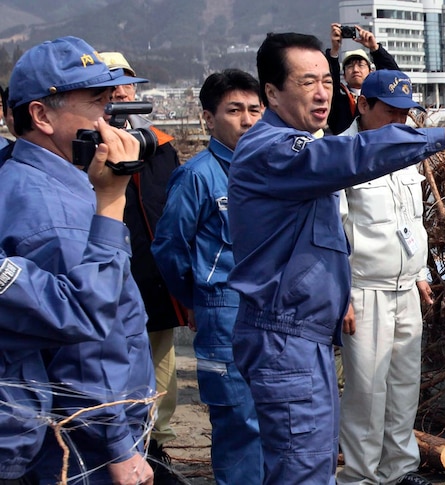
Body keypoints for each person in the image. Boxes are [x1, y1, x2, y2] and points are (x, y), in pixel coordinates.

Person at [227, 32, 445, 485]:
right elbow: (349, 159)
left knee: (321, 452)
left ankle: (395, 471)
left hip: (309, 328)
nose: (322, 92)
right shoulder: (278, 149)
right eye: (307, 82)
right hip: (287, 330)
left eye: (326, 79)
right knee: (308, 455)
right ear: (272, 92)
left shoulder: (310, 148)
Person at [0, 36, 156, 485]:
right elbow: (88, 339)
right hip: (82, 443)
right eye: (95, 102)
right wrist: (119, 446)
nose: (108, 118)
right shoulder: (53, 211)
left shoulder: (41, 178)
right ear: (41, 115)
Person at [151, 69, 264, 485]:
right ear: (207, 118)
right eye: (234, 110)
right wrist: (196, 299)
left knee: (273, 419)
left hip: (272, 312)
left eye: (255, 109)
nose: (248, 120)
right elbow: (169, 248)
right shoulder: (197, 175)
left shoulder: (273, 170)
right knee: (237, 421)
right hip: (224, 312)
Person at [335, 69, 433, 485]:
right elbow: (333, 232)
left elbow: (413, 220)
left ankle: (399, 470)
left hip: (406, 286)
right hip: (364, 288)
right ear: (363, 105)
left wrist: (422, 271)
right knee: (366, 393)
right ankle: (359, 476)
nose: (400, 123)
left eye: (405, 115)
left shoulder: (407, 150)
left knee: (404, 384)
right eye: (390, 113)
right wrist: (342, 295)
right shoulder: (339, 153)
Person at [99, 51, 189, 476]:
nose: (122, 90)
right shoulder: (86, 145)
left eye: (128, 83)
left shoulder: (160, 143)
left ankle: (157, 438)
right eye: (112, 82)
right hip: (109, 266)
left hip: (155, 270)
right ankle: (116, 440)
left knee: (160, 359)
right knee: (110, 359)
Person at [326, 23, 399, 134]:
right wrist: (334, 51)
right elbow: (329, 79)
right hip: (344, 146)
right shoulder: (337, 97)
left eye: (361, 65)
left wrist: (375, 48)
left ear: (371, 71)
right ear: (344, 75)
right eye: (350, 66)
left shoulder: (378, 96)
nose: (355, 70)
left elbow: (394, 79)